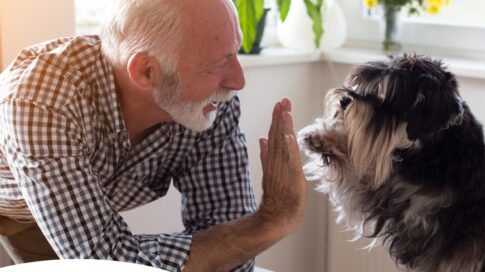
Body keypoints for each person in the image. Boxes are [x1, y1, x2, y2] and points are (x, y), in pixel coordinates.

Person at [0, 0, 307, 271]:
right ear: (146, 71)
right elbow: (104, 262)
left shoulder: (211, 103)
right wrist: (270, 222)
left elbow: (234, 250)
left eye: (235, 52)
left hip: (76, 203)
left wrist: (251, 232)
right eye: (216, 64)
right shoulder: (42, 99)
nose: (238, 81)